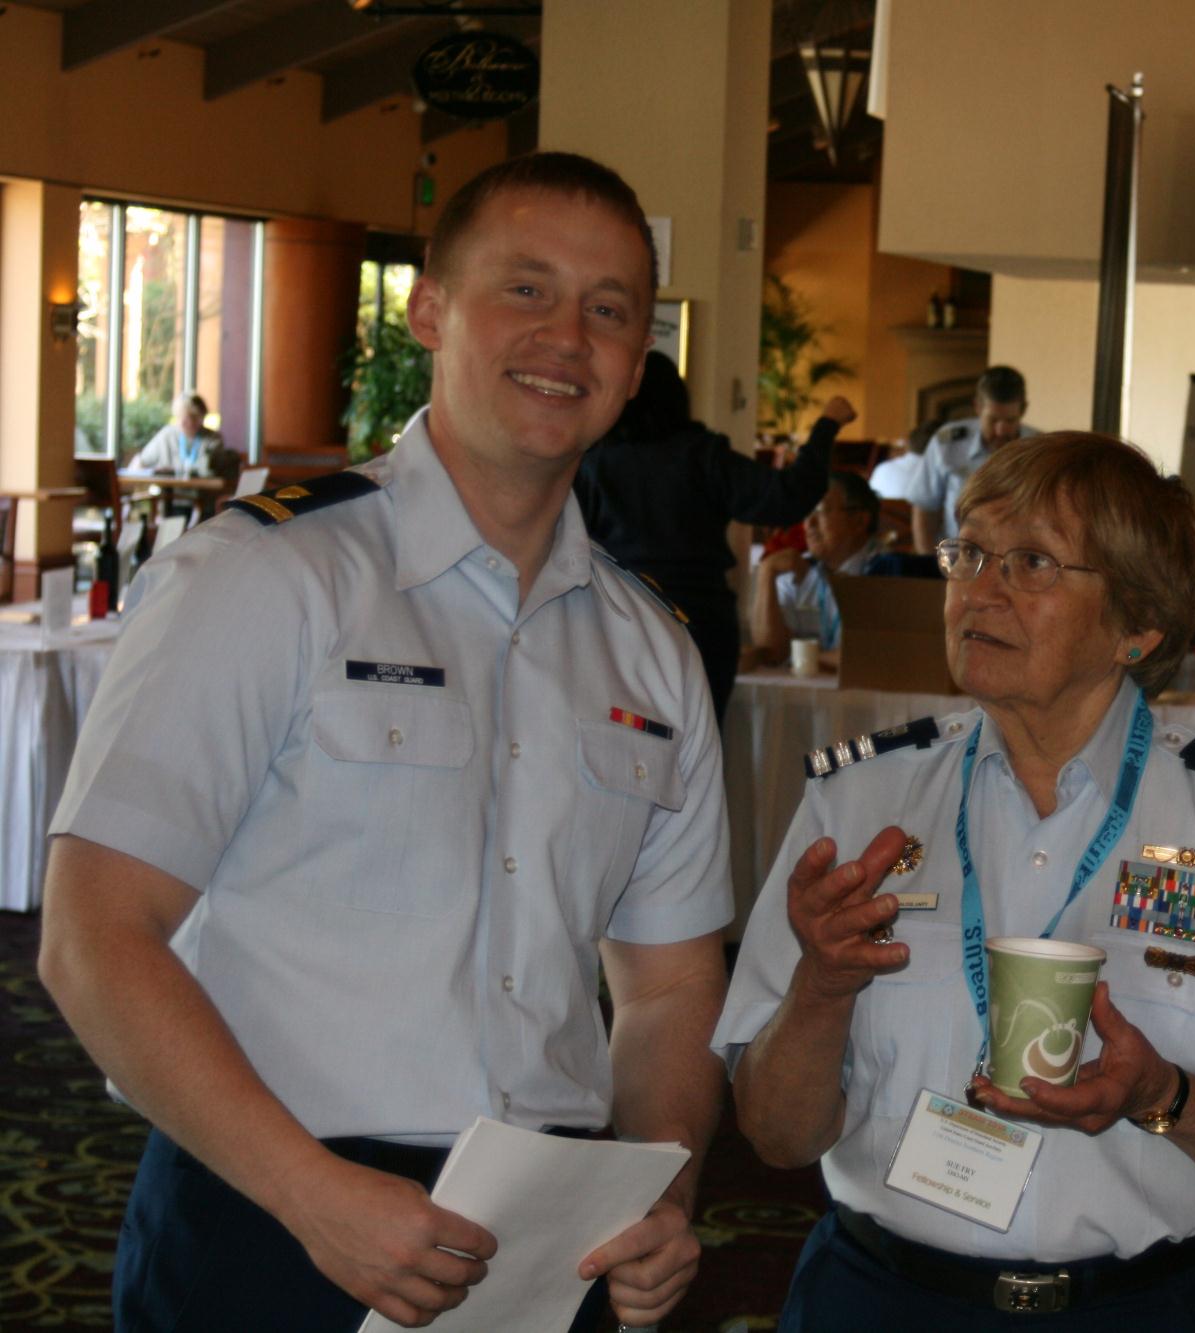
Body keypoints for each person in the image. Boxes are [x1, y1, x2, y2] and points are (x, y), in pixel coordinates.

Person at [38, 152, 732, 1333]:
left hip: (547, 1239)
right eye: (526, 289)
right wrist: (308, 1193)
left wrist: (657, 1185)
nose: (567, 337)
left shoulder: (650, 652)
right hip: (269, 1210)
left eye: (609, 310)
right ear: (429, 310)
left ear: (635, 364)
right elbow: (94, 934)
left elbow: (667, 984)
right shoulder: (264, 576)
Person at [716, 433, 1195, 1331]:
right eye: (969, 553)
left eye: (1032, 563)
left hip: (1146, 1311)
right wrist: (820, 985)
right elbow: (774, 1136)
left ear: (1136, 625)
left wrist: (1164, 1098)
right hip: (882, 1301)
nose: (980, 590)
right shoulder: (860, 805)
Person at [574, 349, 854, 716]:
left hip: (620, 620)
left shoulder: (594, 463)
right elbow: (788, 496)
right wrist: (827, 425)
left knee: (621, 739)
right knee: (701, 740)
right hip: (700, 623)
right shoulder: (704, 457)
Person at [747, 470, 888, 669]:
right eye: (807, 512)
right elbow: (771, 653)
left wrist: (803, 658)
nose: (808, 523)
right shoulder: (798, 569)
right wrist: (766, 573)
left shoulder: (889, 572)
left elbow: (873, 655)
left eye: (820, 511)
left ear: (859, 521)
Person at [907, 365, 1035, 552]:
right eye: (993, 420)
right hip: (957, 558)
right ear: (978, 407)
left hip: (1017, 557)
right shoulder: (947, 443)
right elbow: (925, 508)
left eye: (1010, 420)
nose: (1001, 430)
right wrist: (927, 561)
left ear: (1023, 410)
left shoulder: (1037, 448)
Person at [128, 391, 228, 477]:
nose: (189, 422)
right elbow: (142, 461)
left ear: (202, 417)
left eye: (194, 417)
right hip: (168, 491)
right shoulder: (166, 435)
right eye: (184, 417)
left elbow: (212, 470)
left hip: (203, 492)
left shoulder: (213, 439)